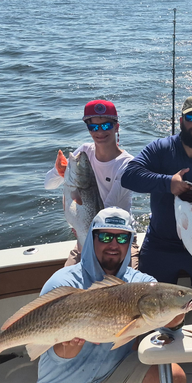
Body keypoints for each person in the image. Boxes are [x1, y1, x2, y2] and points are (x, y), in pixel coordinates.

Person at [37, 207, 186, 383]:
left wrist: (174, 322)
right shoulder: (63, 283)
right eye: (105, 237)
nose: (113, 244)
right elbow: (45, 350)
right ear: (91, 239)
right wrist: (64, 350)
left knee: (174, 378)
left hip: (117, 376)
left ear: (130, 243)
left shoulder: (141, 285)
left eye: (122, 237)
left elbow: (170, 336)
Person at [121, 95, 192, 320]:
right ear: (181, 121)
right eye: (191, 117)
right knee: (145, 298)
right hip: (160, 243)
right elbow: (128, 176)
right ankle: (159, 344)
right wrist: (168, 184)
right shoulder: (161, 149)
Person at [45, 99, 134, 266]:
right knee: (64, 287)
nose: (99, 132)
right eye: (93, 127)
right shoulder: (85, 151)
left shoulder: (127, 165)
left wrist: (81, 223)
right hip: (85, 236)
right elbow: (48, 185)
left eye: (106, 126)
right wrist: (58, 172)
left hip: (119, 238)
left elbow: (106, 213)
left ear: (117, 127)